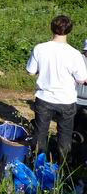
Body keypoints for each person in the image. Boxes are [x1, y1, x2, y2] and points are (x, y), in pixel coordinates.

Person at [26, 16, 87, 162]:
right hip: (67, 100)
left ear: (51, 28)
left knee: (40, 134)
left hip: (44, 98)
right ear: (69, 30)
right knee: (65, 136)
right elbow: (81, 78)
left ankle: (38, 165)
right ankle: (63, 169)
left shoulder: (40, 48)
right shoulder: (75, 54)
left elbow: (30, 71)